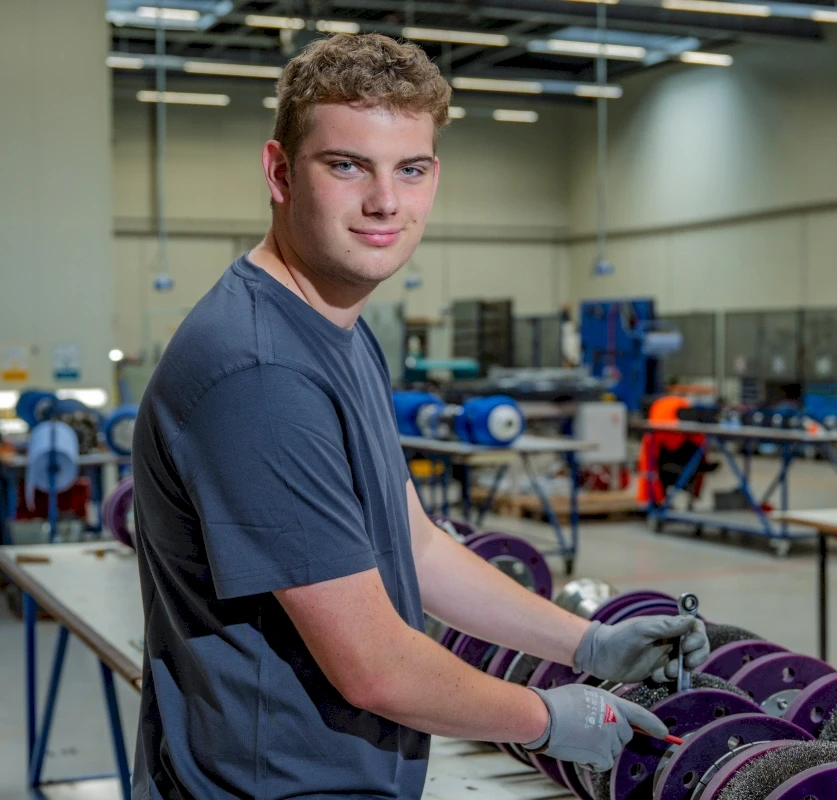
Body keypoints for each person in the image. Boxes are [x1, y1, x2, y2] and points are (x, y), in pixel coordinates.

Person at [130, 33, 708, 800]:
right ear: (278, 171)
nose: (385, 202)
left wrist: (589, 644)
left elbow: (418, 546)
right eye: (347, 165)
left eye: (412, 169)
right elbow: (373, 665)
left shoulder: (336, 327)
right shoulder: (259, 371)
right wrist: (544, 716)